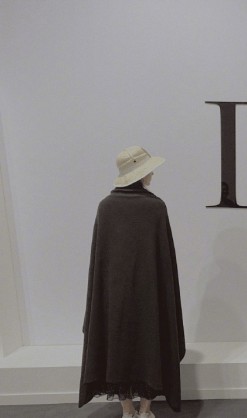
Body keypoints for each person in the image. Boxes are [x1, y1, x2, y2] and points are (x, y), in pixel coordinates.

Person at [79, 146, 186, 418]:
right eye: (149, 169)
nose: (152, 174)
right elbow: (163, 260)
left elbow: (101, 263)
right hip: (149, 294)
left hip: (114, 296)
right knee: (151, 341)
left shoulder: (106, 206)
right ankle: (145, 410)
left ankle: (127, 410)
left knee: (118, 344)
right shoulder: (155, 207)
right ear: (141, 173)